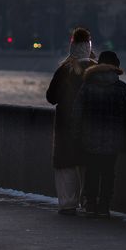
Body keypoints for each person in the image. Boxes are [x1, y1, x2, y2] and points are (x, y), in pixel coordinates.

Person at [72, 50, 126, 218]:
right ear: (115, 66)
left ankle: (90, 203)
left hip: (90, 137)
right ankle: (104, 205)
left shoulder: (88, 85)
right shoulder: (121, 87)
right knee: (108, 173)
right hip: (113, 138)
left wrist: (77, 134)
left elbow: (77, 112)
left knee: (91, 171)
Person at [46, 27, 95, 215]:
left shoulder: (64, 70)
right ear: (89, 46)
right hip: (90, 125)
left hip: (66, 125)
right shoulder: (95, 69)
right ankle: (89, 201)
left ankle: (67, 204)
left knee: (65, 165)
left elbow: (51, 98)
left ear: (72, 46)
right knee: (86, 164)